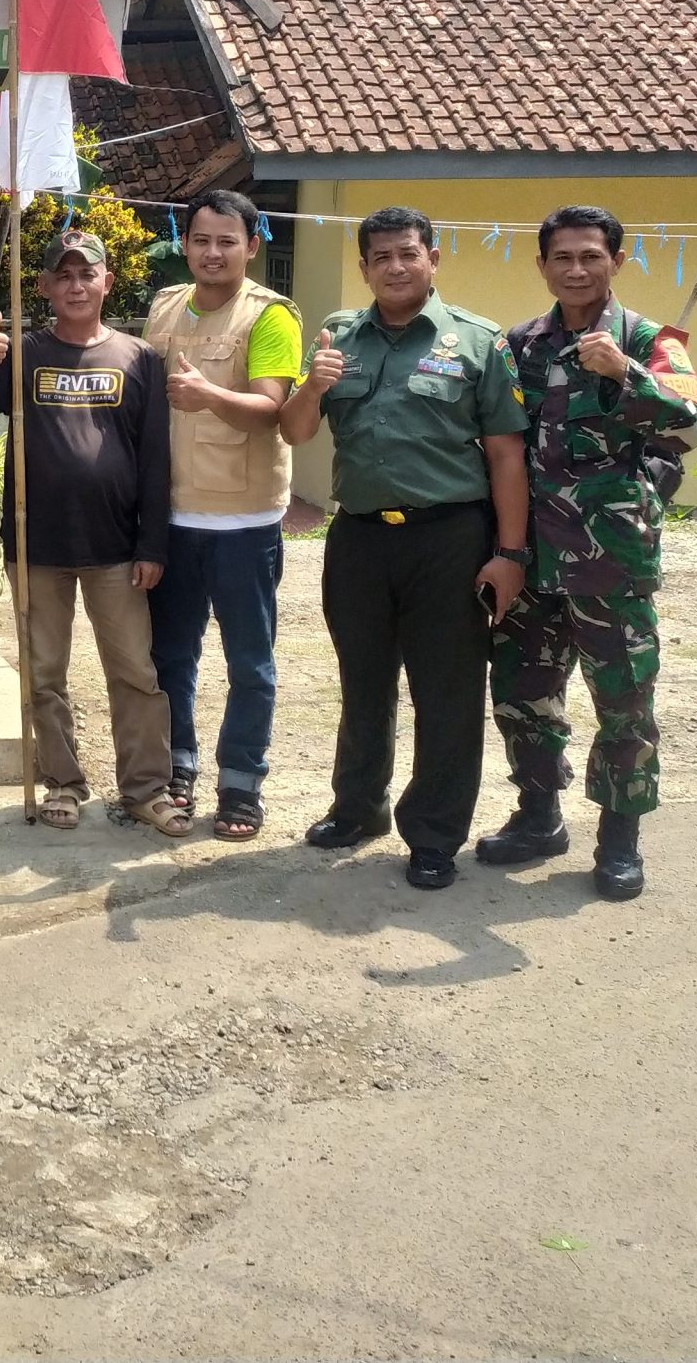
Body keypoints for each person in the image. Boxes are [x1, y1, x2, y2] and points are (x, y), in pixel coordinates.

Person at [279, 206, 531, 890]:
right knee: (363, 682)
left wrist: (510, 554)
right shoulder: (337, 336)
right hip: (359, 539)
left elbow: (507, 454)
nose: (395, 267)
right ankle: (358, 809)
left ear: (432, 259)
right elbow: (295, 431)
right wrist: (314, 384)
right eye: (381, 257)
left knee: (447, 692)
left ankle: (434, 835)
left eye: (408, 253)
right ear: (364, 267)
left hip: (449, 538)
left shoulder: (477, 341)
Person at [479, 205, 697, 901]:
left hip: (611, 559)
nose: (576, 269)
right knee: (523, 693)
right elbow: (497, 440)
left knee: (624, 701)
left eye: (590, 256)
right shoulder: (519, 345)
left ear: (617, 260)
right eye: (562, 257)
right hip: (529, 555)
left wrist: (626, 372)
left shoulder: (650, 339)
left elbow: (693, 429)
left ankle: (619, 839)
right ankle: (538, 817)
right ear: (542, 265)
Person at [0, 231, 185, 836]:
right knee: (44, 673)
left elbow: (156, 459)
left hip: (117, 548)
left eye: (87, 274)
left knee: (135, 673)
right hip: (37, 545)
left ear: (107, 283)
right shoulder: (23, 353)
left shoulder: (139, 359)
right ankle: (63, 782)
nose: (76, 286)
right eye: (64, 275)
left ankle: (146, 788)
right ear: (45, 286)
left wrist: (153, 543)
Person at [144, 189, 303, 839]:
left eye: (227, 242)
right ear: (185, 244)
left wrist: (209, 394)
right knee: (169, 658)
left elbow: (273, 408)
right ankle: (175, 768)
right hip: (172, 519)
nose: (213, 253)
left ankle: (240, 784)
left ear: (252, 246)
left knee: (249, 664)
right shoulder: (163, 306)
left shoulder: (270, 316)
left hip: (244, 523)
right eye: (202, 240)